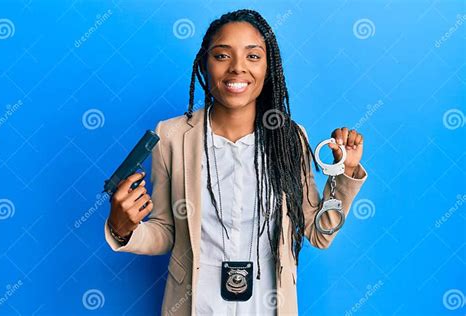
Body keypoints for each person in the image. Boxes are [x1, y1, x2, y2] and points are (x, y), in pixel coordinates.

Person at [104, 9, 368, 315]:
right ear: (205, 63)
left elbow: (319, 232)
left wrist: (343, 175)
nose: (237, 68)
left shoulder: (289, 138)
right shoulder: (173, 136)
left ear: (269, 68)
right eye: (222, 56)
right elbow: (165, 232)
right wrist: (123, 229)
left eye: (253, 56)